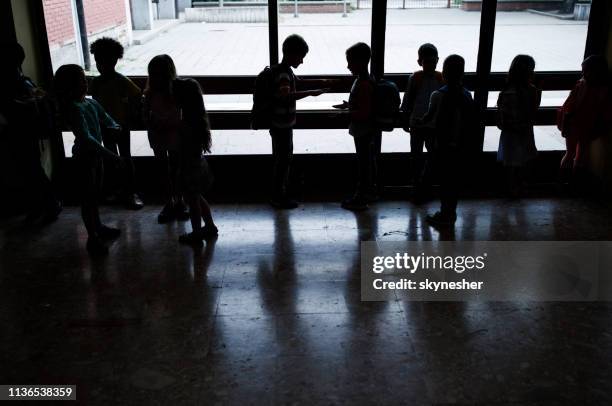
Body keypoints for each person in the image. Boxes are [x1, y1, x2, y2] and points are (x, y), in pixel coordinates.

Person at [53, 64, 123, 255]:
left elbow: (105, 117)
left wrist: (114, 125)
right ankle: (92, 237)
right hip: (84, 158)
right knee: (88, 198)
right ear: (69, 87)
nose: (86, 83)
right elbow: (86, 138)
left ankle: (98, 227)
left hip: (95, 156)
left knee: (94, 194)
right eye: (81, 81)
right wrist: (108, 154)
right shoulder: (74, 108)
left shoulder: (89, 103)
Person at [149, 55, 218, 245]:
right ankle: (209, 226)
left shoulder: (184, 125)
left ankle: (196, 232)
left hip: (188, 162)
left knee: (192, 198)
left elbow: (174, 128)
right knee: (196, 195)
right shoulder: (197, 121)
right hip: (194, 159)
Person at [0, 41, 62, 224]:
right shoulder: (24, 80)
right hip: (27, 132)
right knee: (32, 169)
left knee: (30, 170)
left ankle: (48, 204)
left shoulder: (12, 83)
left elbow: (12, 108)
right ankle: (44, 205)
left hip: (19, 132)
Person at [266, 34, 329, 209]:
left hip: (279, 124)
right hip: (282, 125)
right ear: (291, 54)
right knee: (284, 160)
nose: (301, 61)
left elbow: (298, 83)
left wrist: (319, 83)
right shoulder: (285, 75)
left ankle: (279, 194)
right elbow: (286, 96)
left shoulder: (282, 70)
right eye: (300, 57)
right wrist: (311, 93)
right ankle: (279, 196)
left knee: (282, 159)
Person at [420, 55, 477, 227]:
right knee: (453, 182)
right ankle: (449, 212)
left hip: (443, 146)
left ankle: (444, 213)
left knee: (444, 181)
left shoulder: (438, 95)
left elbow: (429, 118)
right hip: (461, 146)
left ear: (443, 74)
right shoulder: (467, 95)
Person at [89, 37, 144, 210]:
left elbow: (136, 96)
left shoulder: (114, 81)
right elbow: (137, 95)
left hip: (118, 126)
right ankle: (123, 191)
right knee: (116, 158)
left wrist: (130, 113)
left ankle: (128, 191)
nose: (99, 65)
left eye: (100, 61)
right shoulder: (106, 81)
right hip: (113, 125)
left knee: (123, 158)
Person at [143, 55, 190, 223]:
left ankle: (173, 201)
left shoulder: (151, 93)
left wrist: (153, 124)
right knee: (174, 169)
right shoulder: (175, 91)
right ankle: (178, 201)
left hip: (162, 134)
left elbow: (146, 115)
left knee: (167, 169)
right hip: (171, 133)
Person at [557, 55, 612, 192]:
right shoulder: (602, 88)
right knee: (580, 155)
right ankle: (575, 184)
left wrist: (566, 123)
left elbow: (570, 106)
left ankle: (563, 183)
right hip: (588, 125)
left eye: (585, 70)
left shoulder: (582, 85)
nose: (583, 73)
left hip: (575, 124)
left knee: (570, 153)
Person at [334, 42, 377, 211]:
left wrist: (346, 113)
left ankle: (361, 197)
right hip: (366, 130)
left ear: (360, 62)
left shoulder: (364, 83)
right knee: (367, 161)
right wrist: (349, 106)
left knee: (364, 164)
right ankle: (369, 193)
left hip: (363, 130)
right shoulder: (365, 80)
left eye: (350, 62)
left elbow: (364, 113)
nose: (348, 66)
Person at [400, 43, 444, 200]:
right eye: (428, 62)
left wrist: (406, 118)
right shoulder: (440, 78)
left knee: (417, 156)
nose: (430, 65)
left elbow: (407, 101)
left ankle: (418, 186)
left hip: (419, 123)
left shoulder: (415, 78)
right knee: (429, 155)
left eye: (432, 62)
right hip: (429, 125)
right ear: (421, 62)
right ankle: (423, 185)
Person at [496, 55, 541, 197]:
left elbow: (501, 117)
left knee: (510, 161)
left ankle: (510, 188)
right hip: (526, 131)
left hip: (510, 133)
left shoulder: (506, 91)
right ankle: (521, 186)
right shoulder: (533, 91)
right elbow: (533, 112)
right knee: (524, 160)